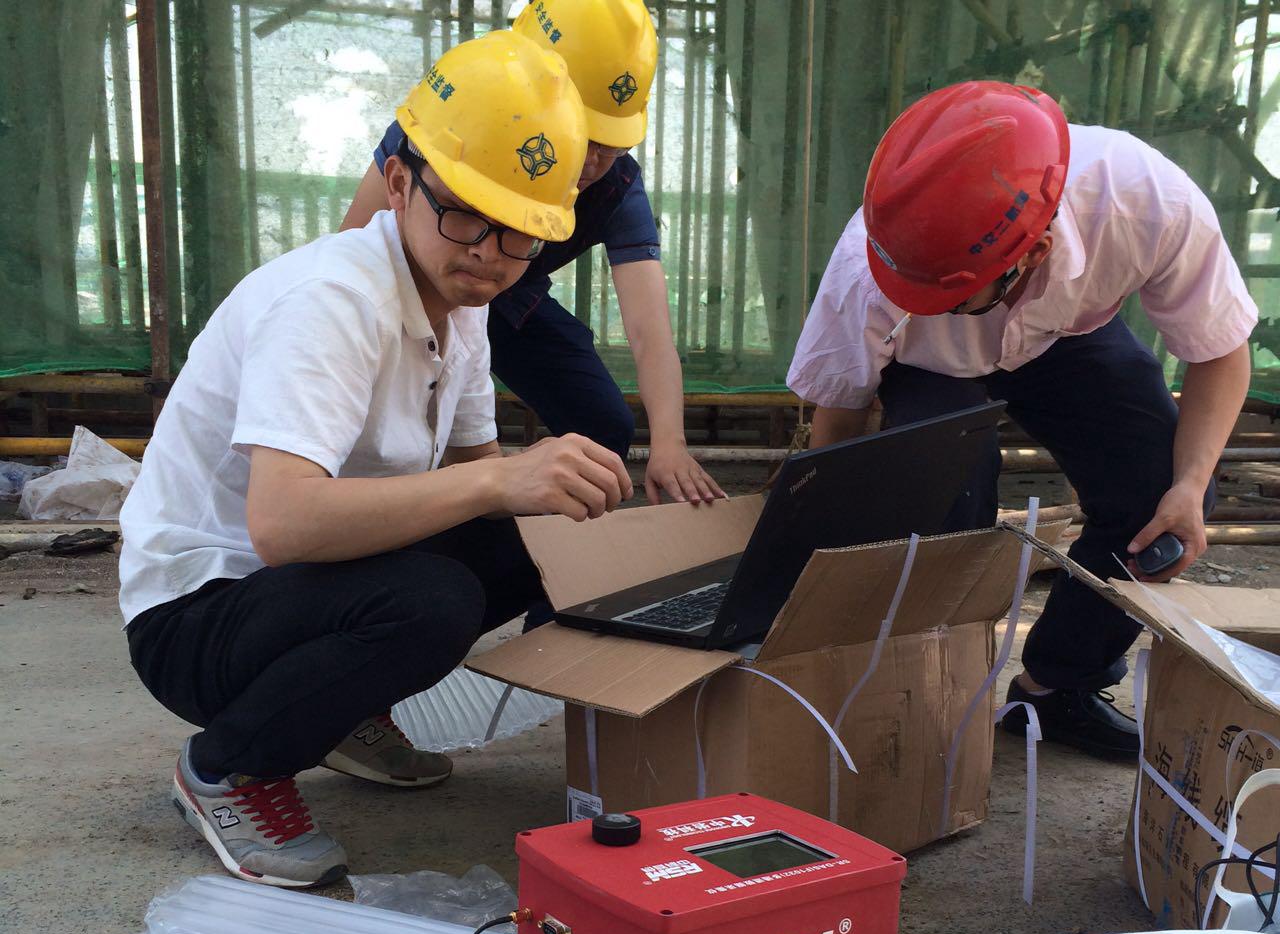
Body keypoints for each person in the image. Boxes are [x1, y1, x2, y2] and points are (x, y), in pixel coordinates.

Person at [119, 30, 632, 890]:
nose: (489, 253)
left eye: (519, 236)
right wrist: (499, 478)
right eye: (465, 214)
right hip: (197, 616)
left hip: (301, 591)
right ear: (398, 183)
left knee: (539, 540)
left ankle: (340, 709)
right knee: (433, 601)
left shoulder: (462, 305)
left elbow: (481, 480)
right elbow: (283, 525)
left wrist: (561, 502)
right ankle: (226, 768)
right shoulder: (330, 300)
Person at [788, 81, 1256, 760]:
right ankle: (926, 694)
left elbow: (1220, 352)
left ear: (1031, 255)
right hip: (930, 366)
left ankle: (1055, 688)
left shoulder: (1146, 200)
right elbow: (839, 419)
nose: (919, 297)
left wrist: (1190, 484)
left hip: (1067, 333)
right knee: (941, 500)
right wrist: (824, 537)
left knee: (1161, 489)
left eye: (948, 297)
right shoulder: (871, 263)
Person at [342, 0, 724, 507]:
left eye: (610, 145)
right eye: (580, 133)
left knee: (604, 424)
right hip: (413, 294)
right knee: (397, 430)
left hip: (506, 300)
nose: (590, 162)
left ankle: (544, 541)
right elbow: (353, 248)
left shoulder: (617, 187)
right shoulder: (444, 128)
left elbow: (649, 330)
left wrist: (670, 443)